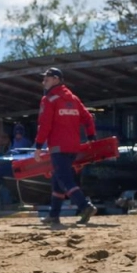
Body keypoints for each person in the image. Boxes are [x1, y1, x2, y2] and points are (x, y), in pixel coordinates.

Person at [35, 67, 97, 226]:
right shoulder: (73, 99)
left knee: (64, 180)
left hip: (58, 147)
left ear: (56, 79)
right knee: (57, 180)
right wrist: (91, 136)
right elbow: (88, 118)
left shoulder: (49, 100)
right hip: (73, 147)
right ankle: (53, 215)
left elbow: (44, 125)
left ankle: (85, 206)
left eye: (46, 79)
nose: (43, 82)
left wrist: (38, 146)